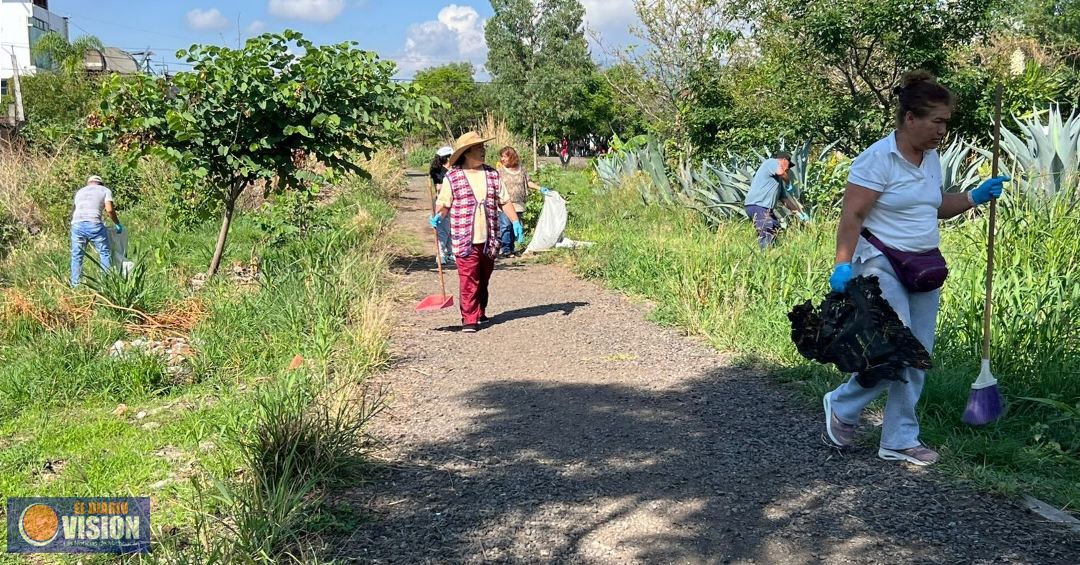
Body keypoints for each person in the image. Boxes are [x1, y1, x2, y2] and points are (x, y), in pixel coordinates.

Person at [823, 70, 1009, 466]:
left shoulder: (932, 159)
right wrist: (842, 265)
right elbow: (852, 215)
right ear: (910, 118)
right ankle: (843, 404)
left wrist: (975, 196)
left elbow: (935, 207)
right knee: (896, 346)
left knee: (918, 353)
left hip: (923, 267)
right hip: (880, 263)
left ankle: (898, 438)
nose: (943, 131)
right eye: (936, 121)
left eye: (946, 123)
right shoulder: (877, 159)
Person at [430, 132, 524, 333]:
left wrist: (515, 221)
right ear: (466, 153)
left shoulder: (491, 174)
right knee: (468, 277)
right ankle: (469, 318)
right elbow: (444, 203)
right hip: (465, 238)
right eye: (478, 148)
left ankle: (480, 310)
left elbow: (504, 201)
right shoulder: (453, 177)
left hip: (489, 238)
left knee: (483, 277)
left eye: (483, 148)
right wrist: (439, 215)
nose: (483, 151)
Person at [743, 151, 809, 248]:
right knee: (767, 230)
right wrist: (788, 183)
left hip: (765, 209)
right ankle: (764, 256)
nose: (788, 168)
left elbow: (784, 200)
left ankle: (770, 254)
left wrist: (800, 213)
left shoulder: (778, 182)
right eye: (788, 165)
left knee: (774, 227)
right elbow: (781, 172)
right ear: (783, 160)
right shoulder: (771, 162)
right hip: (757, 205)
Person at [70, 175, 122, 286]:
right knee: (104, 253)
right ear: (101, 184)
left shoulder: (80, 191)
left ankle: (75, 285)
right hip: (94, 224)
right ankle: (105, 284)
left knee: (77, 255)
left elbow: (76, 209)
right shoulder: (105, 190)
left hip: (76, 224)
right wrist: (117, 223)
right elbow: (109, 210)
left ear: (89, 183)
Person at [496, 146, 548, 256]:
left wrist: (540, 188)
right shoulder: (499, 171)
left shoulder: (522, 170)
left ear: (512, 157)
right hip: (504, 203)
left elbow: (528, 182)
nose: (502, 159)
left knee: (515, 226)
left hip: (518, 204)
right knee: (506, 226)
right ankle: (505, 249)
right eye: (502, 157)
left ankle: (511, 247)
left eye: (505, 157)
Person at [429, 146, 454, 263]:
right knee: (443, 229)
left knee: (452, 228)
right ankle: (440, 254)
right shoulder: (438, 171)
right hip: (443, 202)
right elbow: (439, 187)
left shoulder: (453, 170)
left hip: (454, 202)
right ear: (448, 158)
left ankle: (450, 252)